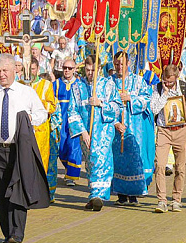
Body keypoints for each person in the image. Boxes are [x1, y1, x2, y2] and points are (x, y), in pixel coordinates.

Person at [0, 53, 49, 243]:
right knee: (2, 190)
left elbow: (42, 113)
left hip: (19, 148)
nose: (1, 74)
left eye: (5, 70)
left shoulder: (26, 92)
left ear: (15, 69)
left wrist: (31, 119)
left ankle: (17, 233)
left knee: (18, 190)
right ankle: (7, 232)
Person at [68, 56, 122, 211]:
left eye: (93, 70)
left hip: (104, 130)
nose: (90, 73)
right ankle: (93, 194)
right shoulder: (77, 87)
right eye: (87, 70)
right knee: (91, 162)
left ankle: (98, 195)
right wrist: (82, 131)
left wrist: (101, 103)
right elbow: (72, 111)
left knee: (101, 160)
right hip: (86, 131)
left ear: (98, 69)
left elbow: (118, 108)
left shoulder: (108, 85)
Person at [150, 64, 186, 213]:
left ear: (176, 77)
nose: (168, 84)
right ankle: (162, 200)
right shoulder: (158, 88)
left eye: (171, 82)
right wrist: (165, 94)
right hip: (164, 130)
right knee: (160, 165)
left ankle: (176, 199)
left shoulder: (184, 87)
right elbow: (153, 109)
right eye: (166, 81)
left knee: (180, 167)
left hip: (181, 130)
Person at [111, 51, 155, 206]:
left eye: (122, 63)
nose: (119, 67)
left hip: (135, 128)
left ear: (128, 63)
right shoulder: (110, 82)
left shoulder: (138, 81)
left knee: (134, 159)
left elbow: (146, 100)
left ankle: (134, 195)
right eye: (116, 64)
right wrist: (115, 122)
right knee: (119, 160)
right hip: (117, 128)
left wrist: (131, 98)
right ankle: (121, 195)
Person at [28, 58, 62, 201]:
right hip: (25, 130)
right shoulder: (20, 85)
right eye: (27, 68)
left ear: (38, 69)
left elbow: (52, 105)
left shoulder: (46, 84)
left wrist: (37, 107)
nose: (30, 72)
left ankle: (45, 193)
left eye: (33, 68)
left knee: (43, 161)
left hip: (41, 130)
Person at [52, 59, 83, 187]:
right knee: (62, 147)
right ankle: (66, 168)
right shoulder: (56, 84)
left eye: (70, 68)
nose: (67, 70)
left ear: (75, 69)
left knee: (74, 146)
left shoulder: (80, 84)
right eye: (65, 67)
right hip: (61, 120)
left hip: (74, 120)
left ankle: (72, 175)